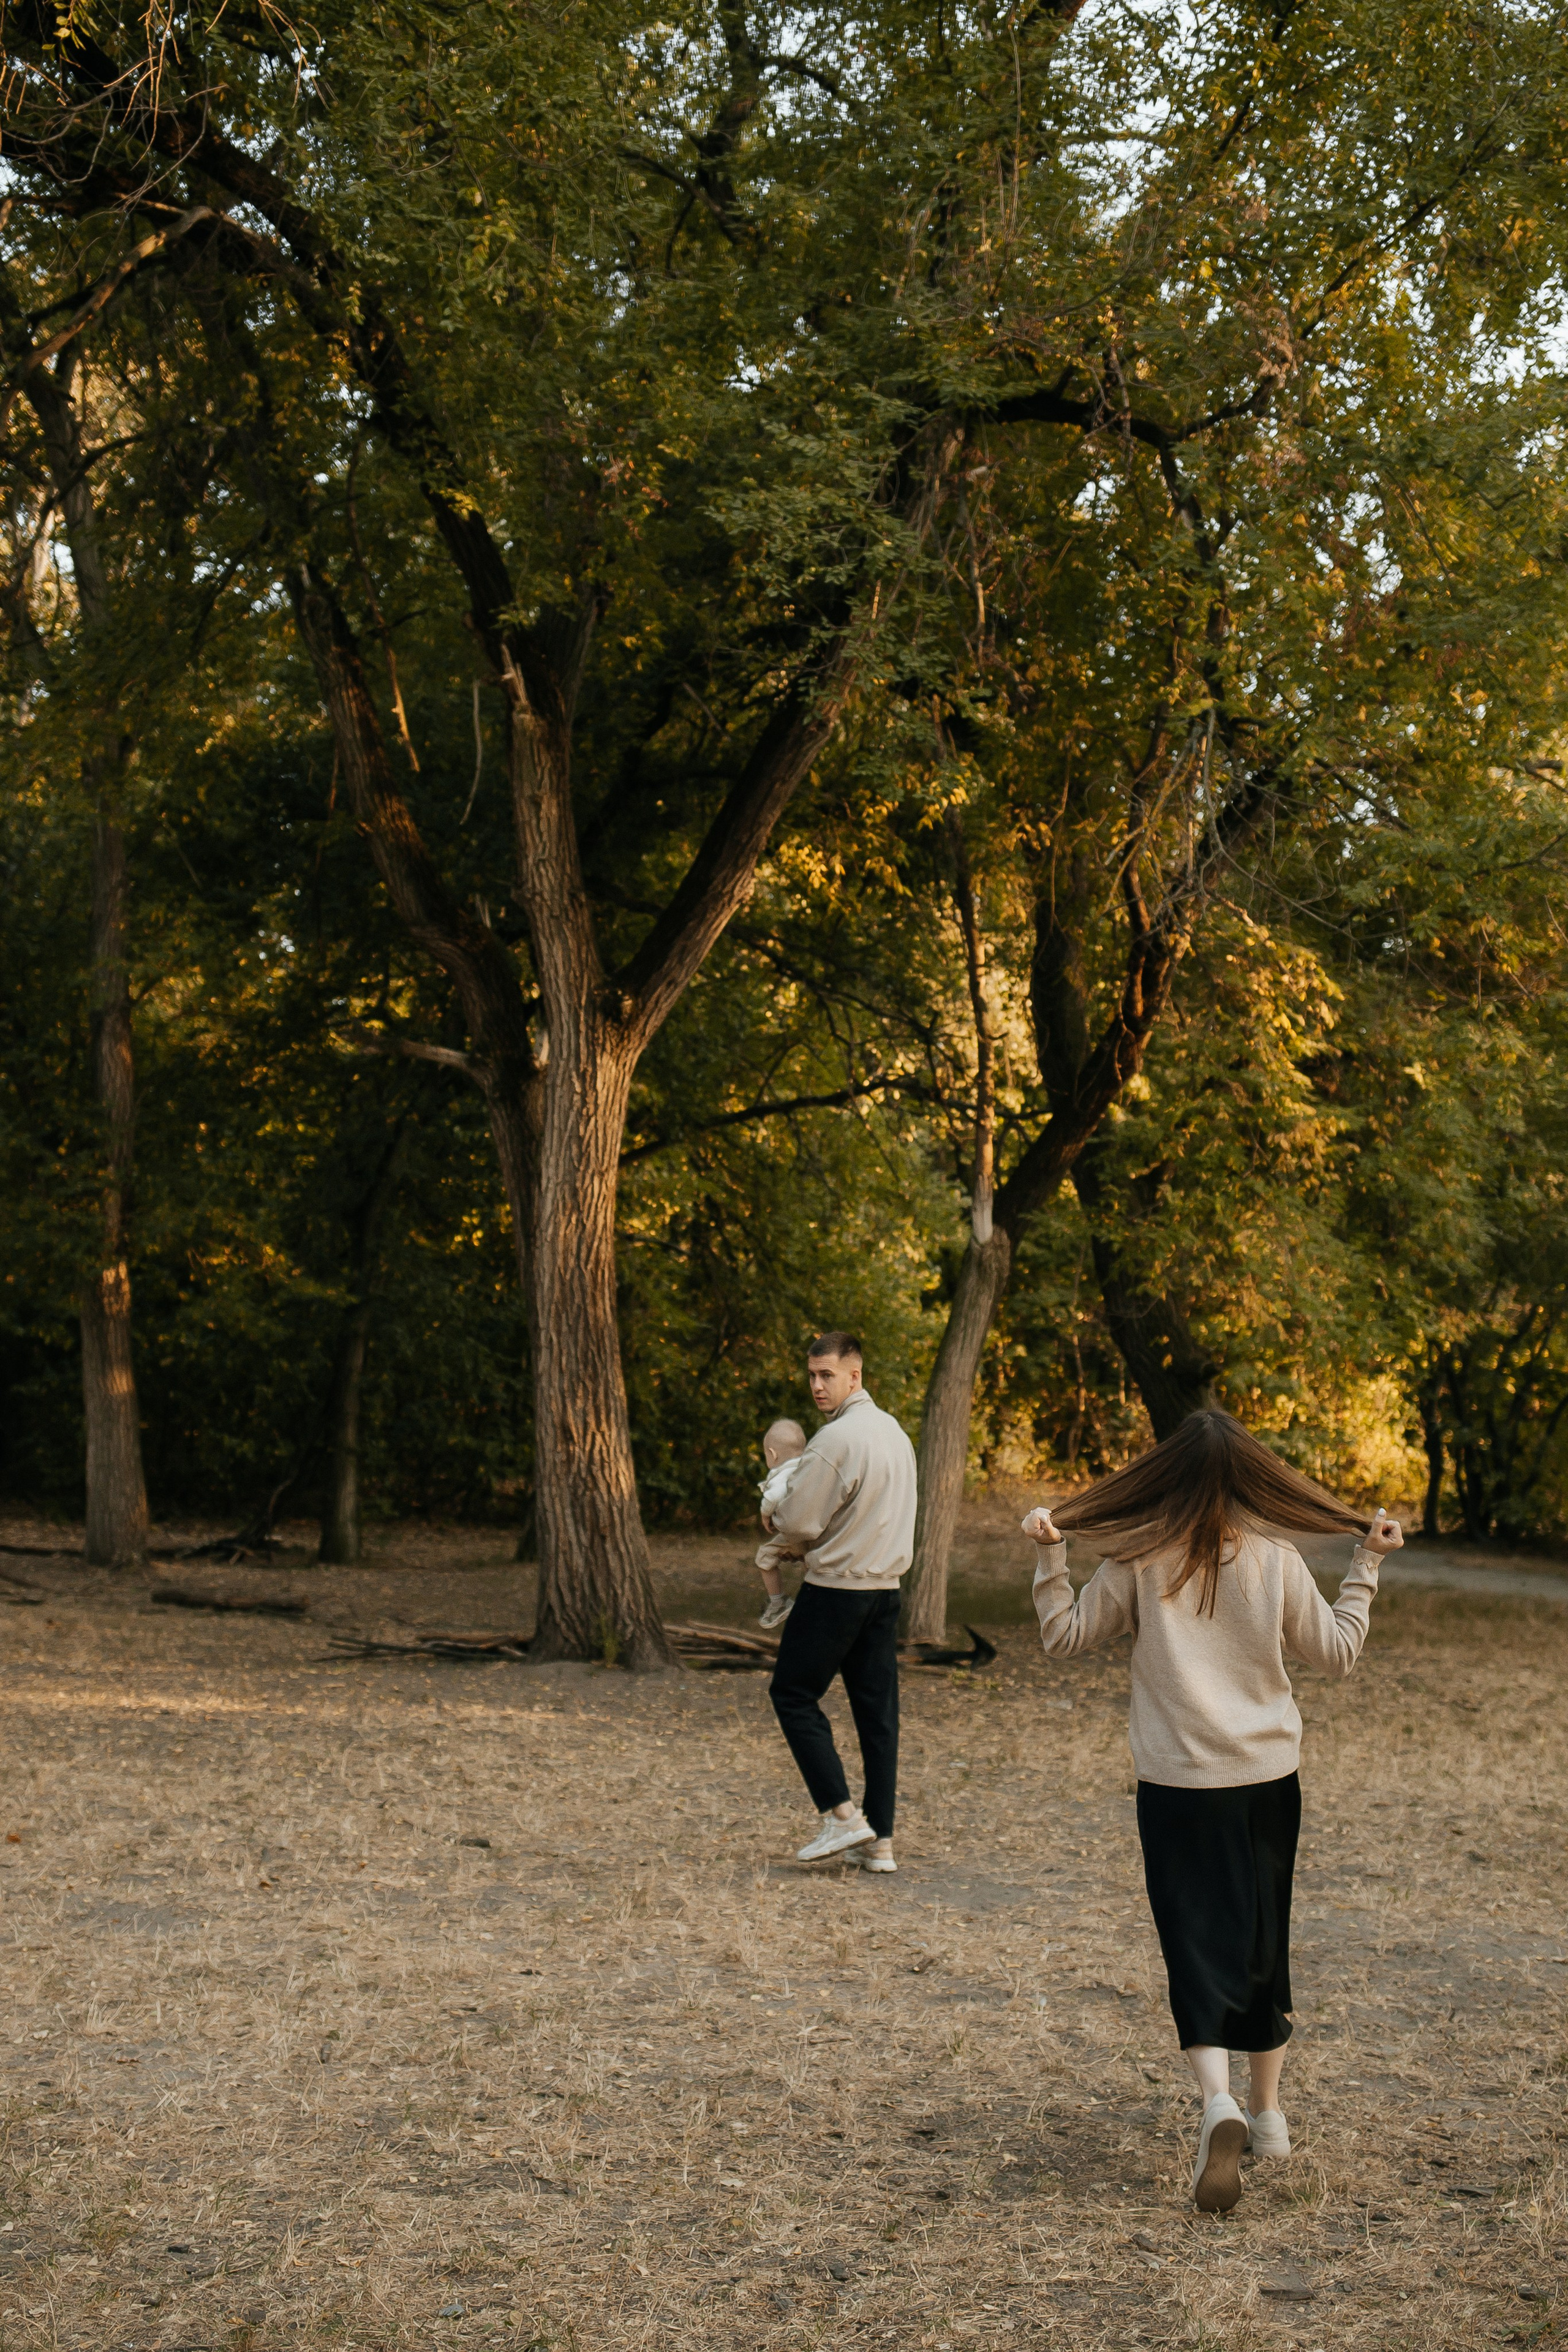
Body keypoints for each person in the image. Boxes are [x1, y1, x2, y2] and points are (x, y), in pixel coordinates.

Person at [1020, 1409, 1403, 2214]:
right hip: (1268, 1781)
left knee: (1194, 1944)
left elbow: (1063, 1637)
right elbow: (1337, 1653)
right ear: (1251, 1480)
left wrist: (1051, 1556)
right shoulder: (1277, 1559)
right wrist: (1366, 1564)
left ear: (1162, 1479)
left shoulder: (1136, 1560)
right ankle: (1269, 2118)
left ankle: (1217, 2102)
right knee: (1263, 1940)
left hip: (1177, 1787)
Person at [766, 1332, 918, 1875]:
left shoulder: (835, 1440)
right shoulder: (895, 1433)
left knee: (791, 1694)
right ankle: (881, 1842)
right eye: (812, 1375)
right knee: (878, 1718)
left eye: (827, 1375)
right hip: (885, 1591)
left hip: (837, 1590)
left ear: (855, 1375)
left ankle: (842, 1815)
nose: (817, 1385)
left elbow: (799, 1520)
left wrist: (776, 1522)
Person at [755, 1418, 807, 1629]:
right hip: (815, 1533)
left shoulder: (783, 1474)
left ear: (773, 1454)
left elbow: (774, 1496)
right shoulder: (808, 1468)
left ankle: (778, 1603)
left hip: (794, 1534)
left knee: (764, 1556)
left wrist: (765, 1514)